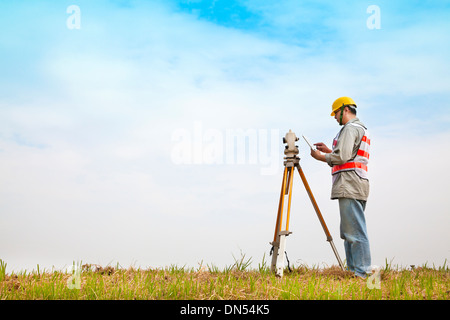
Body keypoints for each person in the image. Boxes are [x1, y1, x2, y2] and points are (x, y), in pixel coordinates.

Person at [310, 97, 371, 278]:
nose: (335, 117)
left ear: (345, 110)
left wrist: (320, 156)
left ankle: (362, 274)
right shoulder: (360, 129)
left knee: (354, 232)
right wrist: (330, 151)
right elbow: (349, 155)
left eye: (336, 113)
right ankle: (355, 272)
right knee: (350, 230)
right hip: (357, 182)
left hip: (350, 183)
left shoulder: (350, 129)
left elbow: (342, 157)